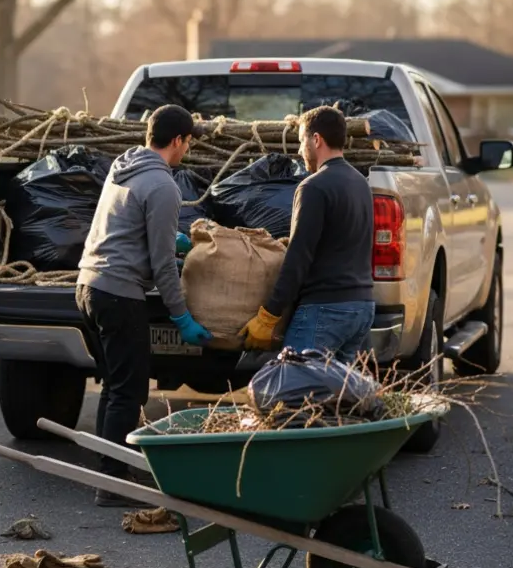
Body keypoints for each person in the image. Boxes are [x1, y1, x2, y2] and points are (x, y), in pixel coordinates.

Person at [76, 104, 213, 507]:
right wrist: (181, 317)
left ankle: (109, 469)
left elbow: (128, 230)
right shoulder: (164, 186)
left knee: (114, 387)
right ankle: (113, 485)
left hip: (88, 285)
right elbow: (161, 268)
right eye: (188, 142)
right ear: (177, 141)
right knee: (131, 390)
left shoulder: (124, 168)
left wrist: (174, 242)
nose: (187, 149)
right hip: (119, 294)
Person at [239, 105, 375, 361]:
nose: (300, 151)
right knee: (338, 396)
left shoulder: (313, 187)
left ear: (316, 139)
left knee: (296, 390)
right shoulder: (361, 183)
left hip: (325, 311)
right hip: (361, 308)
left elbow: (298, 257)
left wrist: (270, 314)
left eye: (302, 141)